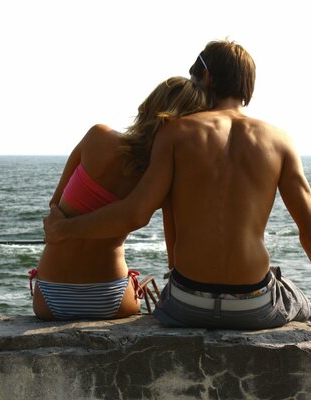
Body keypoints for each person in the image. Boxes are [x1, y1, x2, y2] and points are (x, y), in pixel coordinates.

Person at [43, 40, 311, 329]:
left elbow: (138, 212)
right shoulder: (279, 140)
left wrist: (66, 227)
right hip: (253, 304)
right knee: (300, 301)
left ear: (208, 78)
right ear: (248, 88)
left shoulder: (175, 134)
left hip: (187, 305)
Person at [30, 76, 210, 321]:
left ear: (150, 105)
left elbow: (55, 204)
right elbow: (174, 257)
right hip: (110, 297)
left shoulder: (97, 137)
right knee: (147, 285)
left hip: (49, 296)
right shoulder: (162, 180)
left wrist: (62, 227)